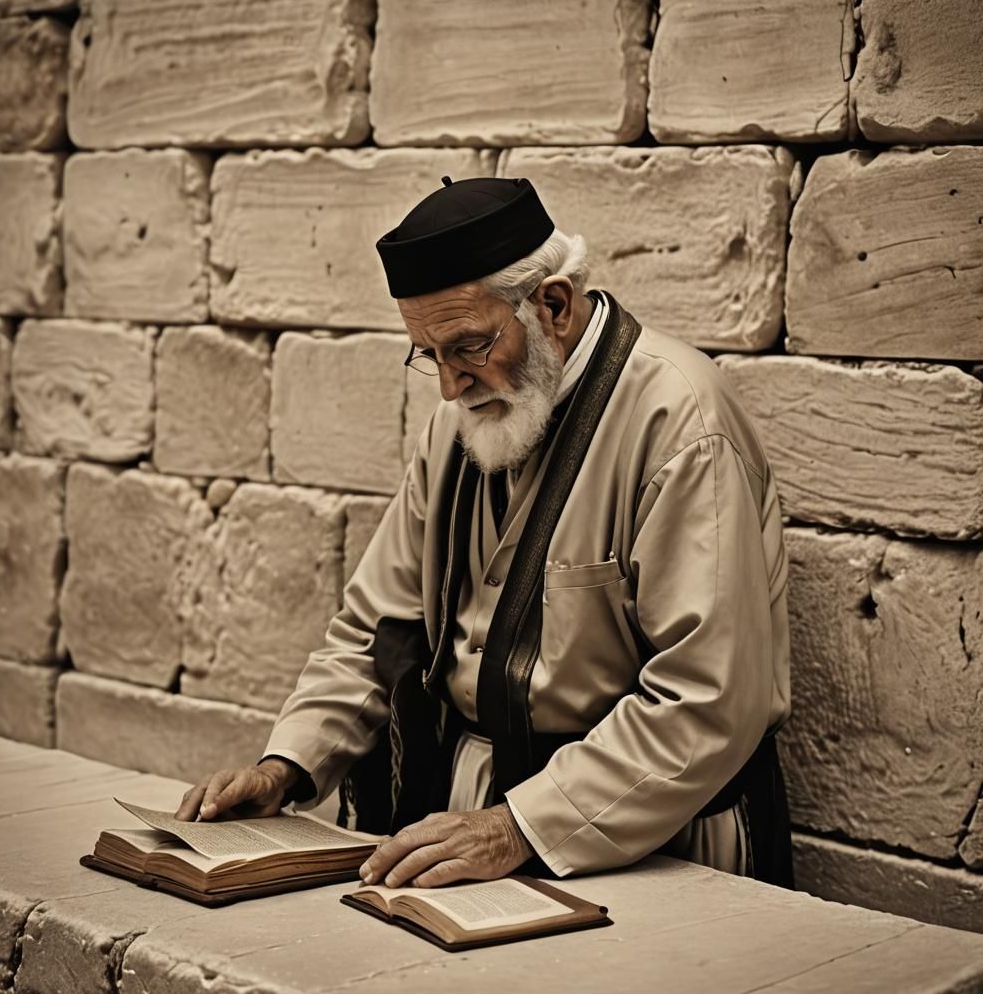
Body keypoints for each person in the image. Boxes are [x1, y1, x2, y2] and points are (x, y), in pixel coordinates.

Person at [175, 176, 793, 890]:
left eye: (468, 347)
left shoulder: (681, 423)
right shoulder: (460, 425)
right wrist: (287, 766)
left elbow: (711, 699)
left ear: (552, 305)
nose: (448, 386)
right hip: (473, 832)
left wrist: (517, 825)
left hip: (647, 836)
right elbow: (373, 630)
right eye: (428, 355)